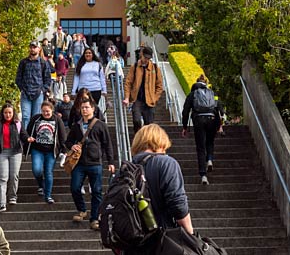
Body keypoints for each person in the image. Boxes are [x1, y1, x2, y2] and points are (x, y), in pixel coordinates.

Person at [130, 124, 194, 236]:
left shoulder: (126, 169)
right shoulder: (166, 163)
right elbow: (178, 204)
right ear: (161, 141)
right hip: (161, 238)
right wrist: (191, 234)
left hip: (132, 240)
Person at [64, 98, 117, 231]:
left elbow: (107, 144)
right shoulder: (77, 125)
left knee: (97, 191)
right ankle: (82, 210)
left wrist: (111, 162)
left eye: (87, 107)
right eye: (82, 108)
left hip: (95, 162)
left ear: (93, 109)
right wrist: (73, 146)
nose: (84, 110)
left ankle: (95, 218)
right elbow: (68, 141)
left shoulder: (100, 125)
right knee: (75, 187)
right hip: (80, 163)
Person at [181, 74, 223, 185]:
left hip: (199, 120)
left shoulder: (192, 94)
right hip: (212, 119)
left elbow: (185, 112)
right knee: (210, 142)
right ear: (205, 83)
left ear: (196, 83)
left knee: (200, 147)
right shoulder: (212, 93)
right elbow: (218, 108)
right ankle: (209, 159)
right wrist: (219, 125)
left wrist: (185, 127)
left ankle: (203, 175)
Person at [24, 99, 68, 204]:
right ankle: (40, 185)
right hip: (37, 149)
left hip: (51, 151)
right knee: (37, 170)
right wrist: (28, 139)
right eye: (43, 111)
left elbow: (62, 136)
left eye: (47, 111)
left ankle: (48, 195)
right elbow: (26, 132)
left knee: (48, 172)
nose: (45, 113)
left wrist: (64, 150)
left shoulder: (57, 120)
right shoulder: (36, 119)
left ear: (52, 110)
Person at [123, 46, 163, 132]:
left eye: (148, 58)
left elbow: (159, 86)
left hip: (149, 101)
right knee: (136, 120)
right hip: (137, 99)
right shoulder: (135, 67)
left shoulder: (155, 68)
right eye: (145, 57)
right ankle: (138, 138)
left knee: (149, 125)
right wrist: (126, 97)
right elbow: (128, 82)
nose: (146, 60)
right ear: (142, 55)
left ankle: (147, 142)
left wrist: (155, 98)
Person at [15, 40, 52, 128]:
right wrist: (22, 89)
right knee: (25, 117)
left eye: (34, 47)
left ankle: (35, 137)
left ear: (39, 49)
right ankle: (25, 138)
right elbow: (18, 78)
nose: (32, 49)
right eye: (31, 47)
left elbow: (48, 79)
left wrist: (43, 90)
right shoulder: (23, 62)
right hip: (26, 93)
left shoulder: (43, 63)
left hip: (38, 93)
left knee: (37, 117)